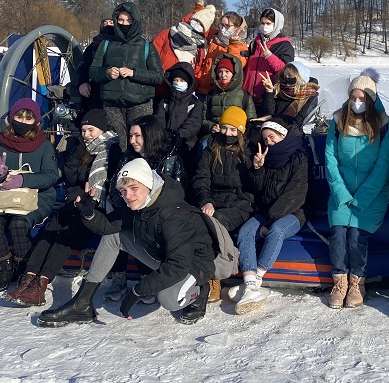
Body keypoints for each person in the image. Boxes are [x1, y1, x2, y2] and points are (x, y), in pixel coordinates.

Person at [38, 158, 216, 327]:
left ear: (148, 184)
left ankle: (200, 291)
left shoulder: (175, 216)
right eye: (123, 191)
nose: (128, 195)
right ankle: (82, 304)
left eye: (133, 188)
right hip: (164, 256)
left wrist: (137, 291)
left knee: (169, 299)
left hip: (194, 266)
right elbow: (109, 226)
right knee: (114, 236)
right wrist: (88, 214)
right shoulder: (140, 204)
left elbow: (177, 266)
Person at [3, 109, 122, 306]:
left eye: (91, 130)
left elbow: (111, 185)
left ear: (102, 129)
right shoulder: (83, 148)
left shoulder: (112, 150)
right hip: (77, 199)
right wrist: (76, 157)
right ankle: (28, 278)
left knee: (65, 236)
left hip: (97, 207)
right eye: (83, 130)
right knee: (50, 228)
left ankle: (40, 285)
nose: (86, 135)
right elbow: (70, 177)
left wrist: (87, 197)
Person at [325, 69, 389, 309]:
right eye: (353, 98)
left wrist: (362, 196)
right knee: (338, 235)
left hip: (370, 195)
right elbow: (330, 159)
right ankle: (339, 281)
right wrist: (341, 193)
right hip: (341, 192)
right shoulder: (337, 122)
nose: (357, 102)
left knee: (355, 236)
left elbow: (384, 164)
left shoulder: (383, 125)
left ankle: (357, 283)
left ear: (371, 100)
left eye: (362, 99)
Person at [102, 114, 186, 303]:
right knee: (116, 221)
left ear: (150, 135)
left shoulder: (171, 159)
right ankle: (118, 277)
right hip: (129, 208)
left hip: (158, 213)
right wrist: (126, 202)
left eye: (137, 136)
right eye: (131, 136)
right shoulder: (128, 158)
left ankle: (146, 277)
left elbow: (177, 192)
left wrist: (144, 205)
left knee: (142, 224)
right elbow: (116, 185)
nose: (132, 141)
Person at [229, 116, 308, 314]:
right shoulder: (267, 158)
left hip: (294, 211)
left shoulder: (298, 157)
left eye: (272, 137)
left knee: (276, 230)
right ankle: (249, 284)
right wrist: (257, 170)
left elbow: (295, 193)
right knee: (246, 231)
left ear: (283, 135)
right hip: (268, 210)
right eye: (265, 140)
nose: (268, 143)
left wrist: (271, 219)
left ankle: (256, 280)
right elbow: (258, 191)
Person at [0, 98, 58, 292]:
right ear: (11, 118)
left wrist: (23, 180)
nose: (23, 121)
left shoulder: (44, 146)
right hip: (4, 198)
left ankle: (23, 265)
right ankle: (6, 266)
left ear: (36, 122)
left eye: (28, 118)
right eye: (19, 116)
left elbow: (51, 176)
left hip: (38, 197)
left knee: (19, 223)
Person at [191, 105, 254, 302]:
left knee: (217, 221)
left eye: (233, 130)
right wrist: (206, 200)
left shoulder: (248, 151)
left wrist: (257, 168)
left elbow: (253, 186)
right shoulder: (212, 146)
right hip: (215, 200)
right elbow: (201, 178)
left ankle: (214, 276)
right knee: (197, 221)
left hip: (240, 203)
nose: (227, 133)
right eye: (224, 128)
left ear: (240, 131)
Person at [89, 1, 164, 153]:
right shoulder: (106, 44)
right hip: (112, 105)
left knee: (140, 144)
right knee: (116, 146)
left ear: (135, 21)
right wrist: (107, 72)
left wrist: (134, 73)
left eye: (129, 20)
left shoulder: (146, 46)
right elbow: (93, 72)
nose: (125, 23)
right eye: (121, 20)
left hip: (140, 104)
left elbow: (158, 76)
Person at [151, 0, 217, 101]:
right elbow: (151, 56)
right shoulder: (168, 33)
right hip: (159, 89)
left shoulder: (199, 48)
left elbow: (196, 72)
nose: (196, 25)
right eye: (195, 21)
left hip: (182, 95)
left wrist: (192, 86)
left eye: (200, 25)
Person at [241, 7, 295, 114]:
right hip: (246, 96)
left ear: (276, 25)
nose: (264, 26)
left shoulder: (285, 45)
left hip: (267, 98)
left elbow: (286, 71)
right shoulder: (255, 42)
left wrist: (270, 56)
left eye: (268, 23)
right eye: (262, 23)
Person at [153, 62, 203, 160]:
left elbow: (193, 123)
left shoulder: (195, 103)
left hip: (187, 144)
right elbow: (159, 120)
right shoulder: (164, 101)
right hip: (164, 142)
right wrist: (164, 136)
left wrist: (178, 136)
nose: (178, 82)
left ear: (188, 83)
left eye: (181, 80)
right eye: (175, 80)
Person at [195, 10, 249, 96]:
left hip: (219, 93)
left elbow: (236, 66)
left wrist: (233, 44)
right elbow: (198, 24)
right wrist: (199, 5)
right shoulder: (215, 37)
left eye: (227, 26)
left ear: (237, 27)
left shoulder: (242, 46)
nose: (223, 28)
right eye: (222, 25)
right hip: (202, 88)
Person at [201, 54, 256, 138]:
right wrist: (211, 126)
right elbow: (203, 119)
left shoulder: (245, 95)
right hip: (214, 136)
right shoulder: (210, 95)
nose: (223, 75)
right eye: (220, 71)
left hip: (235, 137)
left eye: (227, 71)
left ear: (234, 73)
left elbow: (251, 121)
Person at [75, 9, 115, 112]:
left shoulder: (124, 44)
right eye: (105, 23)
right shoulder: (94, 46)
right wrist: (82, 83)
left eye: (111, 22)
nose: (107, 25)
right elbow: (83, 67)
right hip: (96, 90)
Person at [259, 60, 319, 126]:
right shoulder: (279, 89)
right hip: (272, 127)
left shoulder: (310, 95)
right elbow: (269, 113)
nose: (287, 79)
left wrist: (273, 118)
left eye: (290, 76)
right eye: (285, 76)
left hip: (291, 131)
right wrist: (269, 91)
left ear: (300, 77)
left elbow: (298, 121)